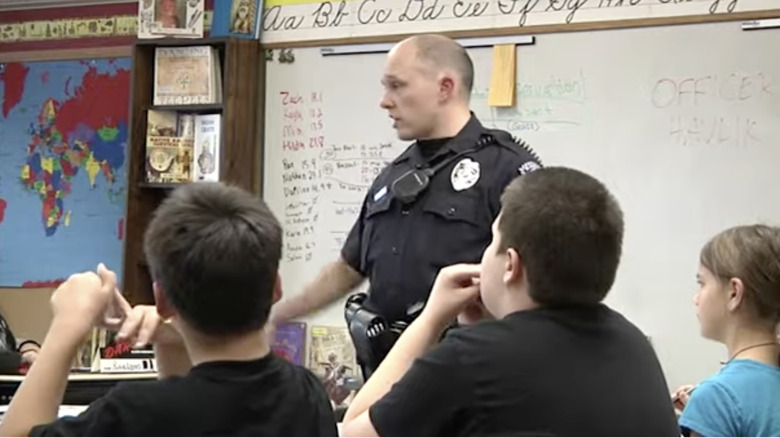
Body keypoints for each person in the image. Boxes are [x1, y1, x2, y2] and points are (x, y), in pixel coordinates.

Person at [270, 33, 542, 376]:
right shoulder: (393, 176)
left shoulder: (506, 170)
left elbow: (536, 291)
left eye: (397, 86)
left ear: (445, 87)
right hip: (385, 378)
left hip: (466, 379)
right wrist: (281, 314)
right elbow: (349, 268)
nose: (385, 101)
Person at [341, 167, 680, 436]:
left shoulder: (470, 357)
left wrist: (430, 321)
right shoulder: (633, 345)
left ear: (511, 265)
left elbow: (353, 433)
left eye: (493, 240)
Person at [0, 183, 338, 437]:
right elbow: (198, 406)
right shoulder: (307, 395)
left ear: (160, 299)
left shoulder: (134, 411)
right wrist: (171, 339)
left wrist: (67, 327)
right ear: (276, 288)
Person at [671, 225, 780, 437]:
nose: (696, 298)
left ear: (734, 293)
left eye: (702, 283)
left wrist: (710, 410)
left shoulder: (718, 396)